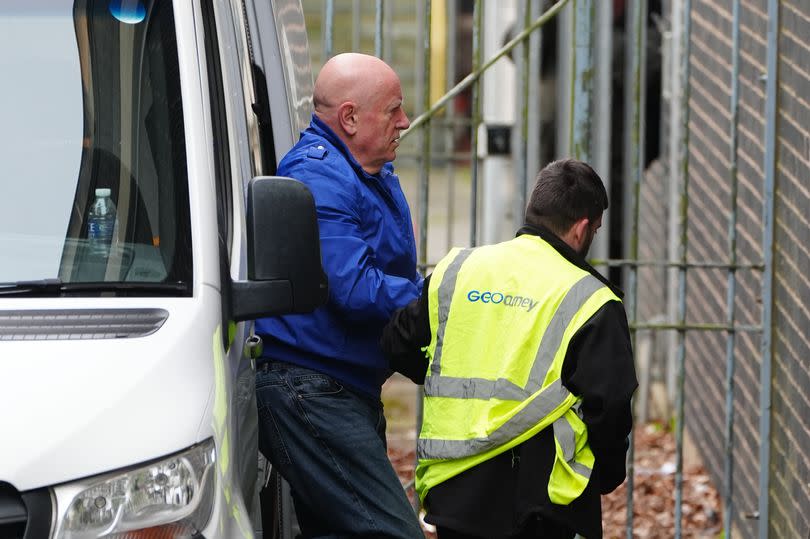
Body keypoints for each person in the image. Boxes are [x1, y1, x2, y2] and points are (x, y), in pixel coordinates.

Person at [382, 159, 638, 539]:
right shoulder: (592, 301)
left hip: (454, 490)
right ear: (583, 227)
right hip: (540, 503)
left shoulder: (459, 270)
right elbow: (610, 406)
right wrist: (607, 473)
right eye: (595, 229)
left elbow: (396, 344)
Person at [254, 53, 425, 538]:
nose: (404, 122)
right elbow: (354, 287)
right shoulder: (319, 179)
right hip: (310, 388)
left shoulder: (367, 170)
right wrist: (435, 299)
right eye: (393, 110)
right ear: (349, 118)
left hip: (338, 386)